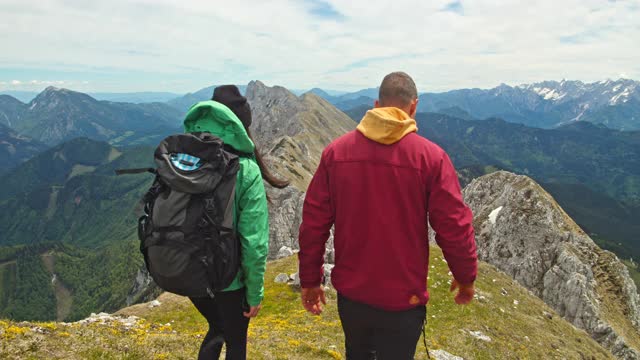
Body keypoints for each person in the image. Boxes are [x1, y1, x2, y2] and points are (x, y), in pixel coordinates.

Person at [297, 72, 478, 359]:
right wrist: (465, 276)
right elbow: (453, 225)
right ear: (414, 107)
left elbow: (313, 224)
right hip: (404, 299)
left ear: (376, 104)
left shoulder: (335, 154)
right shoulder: (431, 158)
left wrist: (310, 279)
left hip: (353, 296)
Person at [184, 85, 289, 360]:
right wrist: (255, 294)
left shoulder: (187, 158)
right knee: (236, 342)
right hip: (228, 280)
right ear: (242, 126)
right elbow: (254, 242)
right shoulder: (246, 168)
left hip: (191, 273)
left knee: (216, 327)